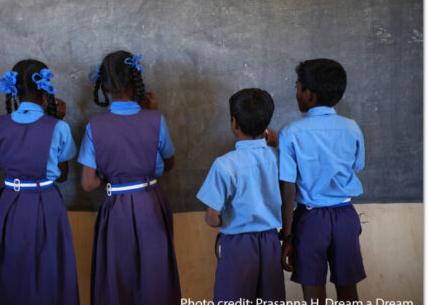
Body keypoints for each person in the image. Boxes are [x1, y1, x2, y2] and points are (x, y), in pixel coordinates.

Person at [78, 51, 181, 305]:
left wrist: (112, 178)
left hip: (117, 207)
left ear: (103, 86)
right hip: (151, 203)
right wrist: (151, 115)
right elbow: (169, 164)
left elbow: (88, 183)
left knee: (117, 278)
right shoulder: (156, 119)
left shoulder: (95, 125)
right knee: (155, 276)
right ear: (136, 81)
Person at [0, 59, 79, 305]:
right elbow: (63, 175)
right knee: (49, 268)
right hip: (47, 203)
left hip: (10, 204)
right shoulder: (58, 127)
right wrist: (56, 119)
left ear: (13, 90)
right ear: (46, 91)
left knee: (11, 268)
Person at [278, 58, 366, 302]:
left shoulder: (290, 132)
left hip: (310, 219)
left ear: (310, 95)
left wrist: (287, 237)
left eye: (297, 87)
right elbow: (356, 166)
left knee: (313, 293)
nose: (295, 93)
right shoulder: (352, 128)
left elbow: (288, 188)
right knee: (349, 290)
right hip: (345, 217)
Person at [197, 88, 285, 301]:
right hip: (271, 241)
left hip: (238, 244)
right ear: (267, 124)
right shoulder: (279, 158)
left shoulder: (224, 164)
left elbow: (212, 217)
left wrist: (220, 220)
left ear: (234, 123)